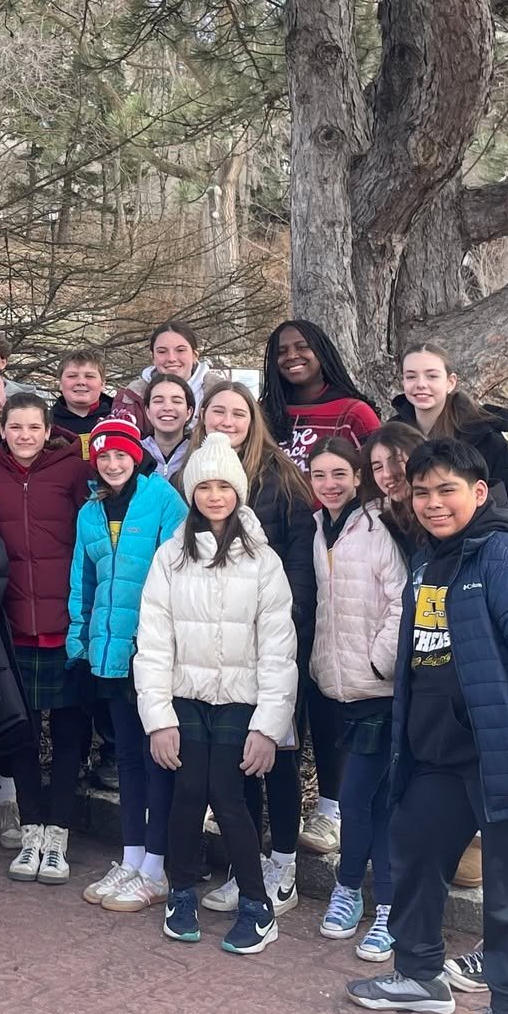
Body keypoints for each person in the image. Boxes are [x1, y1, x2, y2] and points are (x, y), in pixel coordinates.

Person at [344, 437, 508, 1014]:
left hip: (505, 756)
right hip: (435, 753)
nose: (433, 503)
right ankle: (420, 976)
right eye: (421, 492)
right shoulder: (428, 559)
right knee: (412, 857)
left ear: (478, 492)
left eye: (446, 490)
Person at [136, 434, 297, 954]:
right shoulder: (170, 558)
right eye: (202, 486)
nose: (213, 496)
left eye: (223, 486)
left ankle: (257, 905)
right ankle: (180, 892)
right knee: (186, 793)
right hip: (185, 694)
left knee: (228, 797)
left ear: (238, 491)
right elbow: (155, 642)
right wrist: (158, 718)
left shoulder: (263, 562)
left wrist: (269, 726)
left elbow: (278, 650)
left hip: (240, 698)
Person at [191, 377, 319, 907]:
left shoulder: (281, 479)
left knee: (278, 753)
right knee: (236, 757)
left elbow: (299, 559)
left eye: (238, 413)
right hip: (218, 649)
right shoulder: (193, 476)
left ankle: (283, 867)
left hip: (272, 637)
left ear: (253, 420)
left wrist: (288, 622)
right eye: (217, 412)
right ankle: (248, 866)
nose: (227, 421)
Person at [68, 417, 188, 914]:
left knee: (158, 759)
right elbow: (84, 583)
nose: (113, 464)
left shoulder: (163, 501)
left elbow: (180, 576)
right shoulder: (90, 513)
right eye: (104, 456)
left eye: (121, 454)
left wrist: (162, 643)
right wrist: (80, 643)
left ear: (136, 456)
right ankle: (132, 856)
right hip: (109, 656)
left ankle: (157, 867)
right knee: (129, 760)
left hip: (154, 655)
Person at [0, 394, 94, 884]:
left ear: (49, 429)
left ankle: (59, 835)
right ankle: (31, 829)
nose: (25, 435)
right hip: (13, 625)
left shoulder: (74, 472)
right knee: (21, 734)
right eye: (16, 427)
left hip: (66, 622)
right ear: (3, 430)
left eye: (34, 426)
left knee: (70, 735)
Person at [307, 434, 408, 961]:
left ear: (357, 477)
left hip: (377, 689)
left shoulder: (377, 527)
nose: (330, 485)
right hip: (334, 685)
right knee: (363, 799)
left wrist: (379, 660)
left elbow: (402, 597)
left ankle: (374, 899)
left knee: (365, 799)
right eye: (320, 475)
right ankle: (357, 891)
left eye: (340, 475)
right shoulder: (318, 526)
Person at [393, 343, 508, 511]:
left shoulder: (484, 437)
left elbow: (505, 503)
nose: (421, 384)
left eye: (432, 376)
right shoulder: (393, 435)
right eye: (411, 377)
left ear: (450, 382)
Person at [260, 320, 382, 473]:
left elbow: (378, 476)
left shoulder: (354, 413)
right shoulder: (261, 413)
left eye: (302, 347)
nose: (291, 355)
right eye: (281, 352)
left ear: (322, 353)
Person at [114, 322, 220, 428]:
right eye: (162, 351)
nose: (171, 358)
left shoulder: (220, 393)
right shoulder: (133, 397)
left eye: (180, 350)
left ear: (195, 355)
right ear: (153, 357)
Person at [52, 349, 115, 449]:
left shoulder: (119, 419)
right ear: (60, 383)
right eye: (72, 376)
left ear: (103, 384)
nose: (81, 382)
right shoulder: (45, 424)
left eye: (89, 376)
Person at [142, 372, 196, 481]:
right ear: (148, 411)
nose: (167, 407)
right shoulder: (135, 452)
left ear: (189, 412)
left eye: (176, 401)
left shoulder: (199, 453)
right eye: (158, 401)